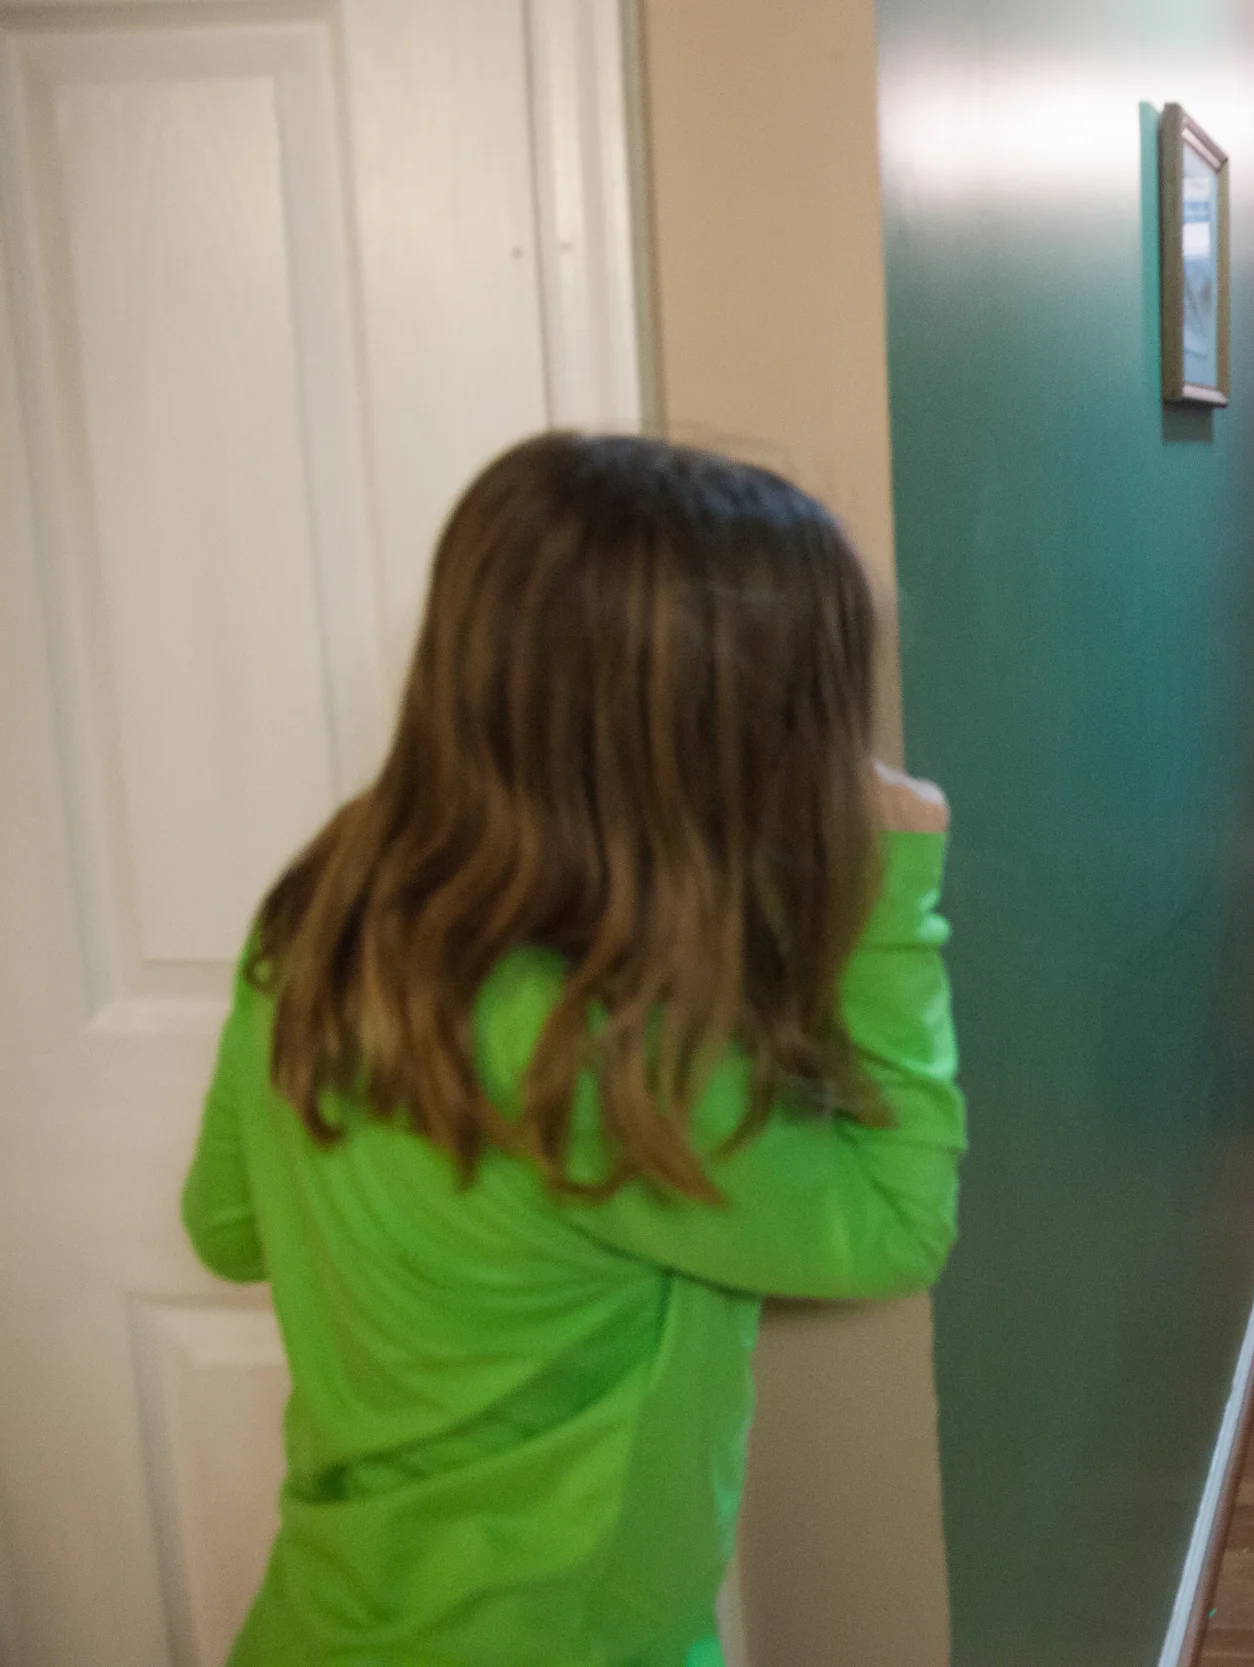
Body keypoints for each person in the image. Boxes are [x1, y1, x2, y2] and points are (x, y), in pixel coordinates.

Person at [179, 433, 967, 1664]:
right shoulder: (603, 1052)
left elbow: (227, 1225)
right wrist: (897, 880)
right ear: (702, 744)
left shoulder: (316, 931)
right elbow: (893, 1222)